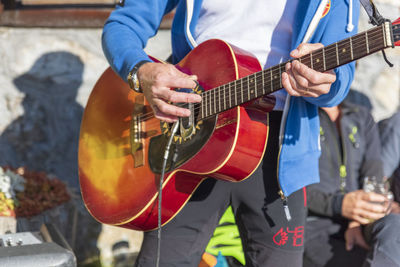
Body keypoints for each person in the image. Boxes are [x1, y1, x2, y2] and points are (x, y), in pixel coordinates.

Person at [101, 1, 360, 266]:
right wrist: (141, 71)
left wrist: (327, 82)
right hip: (188, 134)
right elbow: (123, 24)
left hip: (282, 150)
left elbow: (341, 78)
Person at [304, 98, 400, 267]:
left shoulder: (362, 117)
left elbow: (374, 177)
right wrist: (339, 204)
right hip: (312, 226)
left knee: (394, 225)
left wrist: (357, 220)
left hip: (360, 224)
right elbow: (288, 187)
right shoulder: (297, 117)